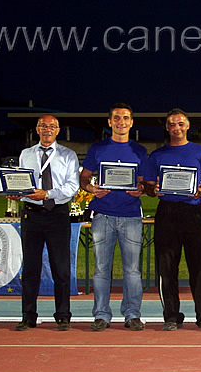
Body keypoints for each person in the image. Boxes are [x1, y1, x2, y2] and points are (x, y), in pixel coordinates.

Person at [145, 108, 201, 331]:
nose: (176, 128)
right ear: (167, 128)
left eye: (180, 124)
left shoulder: (200, 152)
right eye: (172, 124)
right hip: (167, 212)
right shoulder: (156, 155)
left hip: (193, 212)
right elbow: (147, 186)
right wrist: (152, 188)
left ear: (187, 126)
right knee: (167, 268)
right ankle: (172, 315)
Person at [80, 103, 149, 332]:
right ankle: (101, 314)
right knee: (101, 268)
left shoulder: (139, 151)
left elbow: (144, 182)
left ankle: (132, 315)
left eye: (125, 118)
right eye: (117, 118)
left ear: (131, 122)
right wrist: (91, 189)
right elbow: (84, 177)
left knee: (132, 270)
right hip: (103, 215)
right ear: (110, 122)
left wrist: (140, 188)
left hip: (130, 215)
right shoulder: (97, 149)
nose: (121, 122)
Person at [11, 115, 79, 331]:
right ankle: (28, 316)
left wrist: (47, 194)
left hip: (57, 214)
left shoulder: (68, 155)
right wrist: (16, 194)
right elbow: (22, 183)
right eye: (43, 126)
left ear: (58, 130)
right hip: (31, 215)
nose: (47, 129)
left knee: (61, 268)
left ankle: (63, 315)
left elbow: (72, 187)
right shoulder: (26, 154)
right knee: (31, 268)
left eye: (51, 126)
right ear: (37, 129)